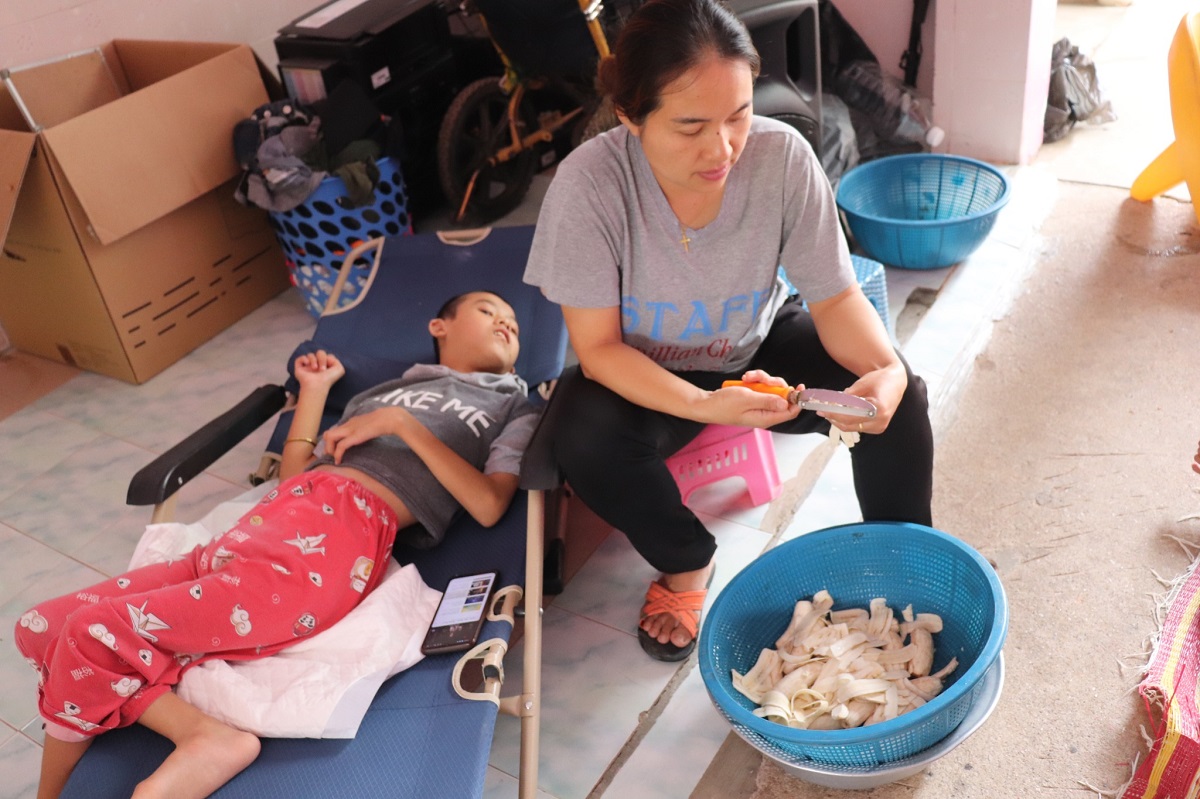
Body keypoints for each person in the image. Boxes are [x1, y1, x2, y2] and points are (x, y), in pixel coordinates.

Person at [523, 0, 934, 662]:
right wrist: (702, 403)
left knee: (901, 394)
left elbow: (833, 298)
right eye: (690, 127)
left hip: (759, 347)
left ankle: (911, 567)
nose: (722, 149)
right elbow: (598, 350)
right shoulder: (589, 187)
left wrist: (884, 368)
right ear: (631, 115)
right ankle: (685, 561)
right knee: (582, 436)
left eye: (738, 116)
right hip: (646, 369)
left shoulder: (782, 158)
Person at [14, 291, 537, 799]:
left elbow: (490, 504)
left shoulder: (511, 405)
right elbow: (292, 475)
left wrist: (404, 426)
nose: (506, 323)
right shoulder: (377, 393)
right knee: (40, 627)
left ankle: (188, 750)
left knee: (91, 633)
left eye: (513, 322)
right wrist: (314, 390)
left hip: (330, 543)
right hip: (265, 522)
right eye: (488, 309)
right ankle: (202, 735)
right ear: (439, 327)